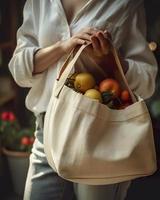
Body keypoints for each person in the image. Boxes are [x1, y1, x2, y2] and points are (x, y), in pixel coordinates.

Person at [9, 0, 157, 200]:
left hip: (100, 134)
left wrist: (109, 59)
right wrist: (64, 47)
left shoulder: (125, 4)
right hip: (48, 132)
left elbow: (147, 80)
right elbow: (19, 69)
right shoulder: (39, 2)